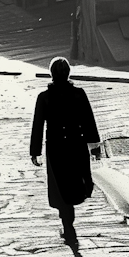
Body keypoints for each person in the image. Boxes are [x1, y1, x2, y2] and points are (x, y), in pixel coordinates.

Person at [30, 57, 101, 245]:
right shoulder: (79, 94)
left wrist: (35, 151)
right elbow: (88, 121)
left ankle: (68, 226)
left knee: (60, 188)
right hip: (76, 146)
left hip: (56, 149)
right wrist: (94, 147)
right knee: (73, 185)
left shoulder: (44, 98)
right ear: (68, 73)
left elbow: (38, 125)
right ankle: (69, 225)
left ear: (51, 74)